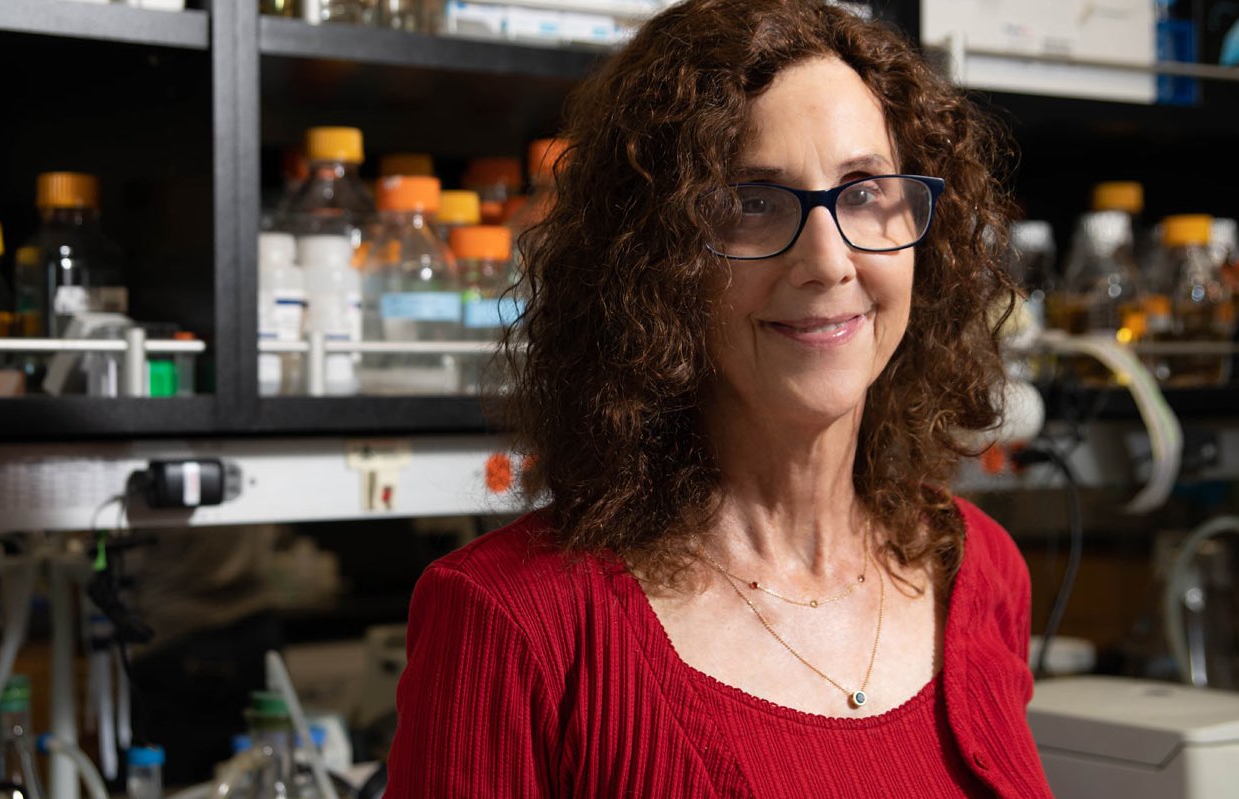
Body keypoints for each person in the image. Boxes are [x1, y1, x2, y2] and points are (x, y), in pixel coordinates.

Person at [385, 0, 1051, 796]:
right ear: (652, 263)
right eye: (752, 202)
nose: (829, 262)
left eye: (866, 191)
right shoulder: (514, 620)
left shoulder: (978, 570)